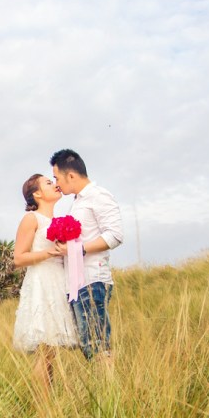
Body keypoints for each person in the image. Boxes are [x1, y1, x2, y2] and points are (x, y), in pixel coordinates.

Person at [50, 149, 123, 363]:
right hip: (77, 284)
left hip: (92, 281)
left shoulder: (98, 196)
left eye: (57, 177)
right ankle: (104, 390)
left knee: (97, 346)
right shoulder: (77, 202)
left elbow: (115, 235)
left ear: (70, 175)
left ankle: (110, 391)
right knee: (90, 348)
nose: (56, 183)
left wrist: (77, 249)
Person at [12, 173, 78, 394]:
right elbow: (19, 258)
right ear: (37, 194)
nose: (55, 184)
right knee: (45, 349)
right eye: (49, 183)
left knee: (52, 351)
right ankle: (43, 407)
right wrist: (50, 252)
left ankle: (50, 403)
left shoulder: (59, 221)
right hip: (42, 282)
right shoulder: (32, 219)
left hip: (60, 282)